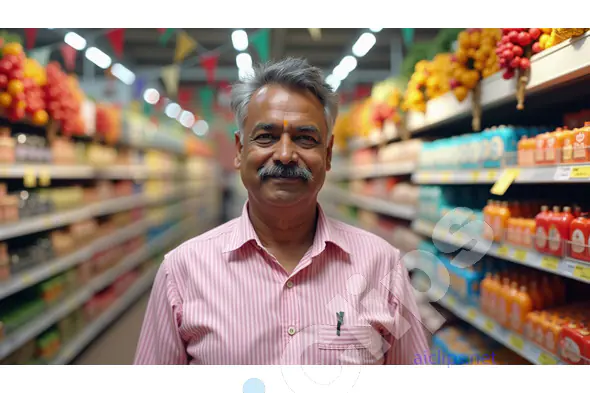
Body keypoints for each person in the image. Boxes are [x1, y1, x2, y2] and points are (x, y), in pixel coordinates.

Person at [134, 57, 430, 365]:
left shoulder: (383, 267)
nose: (286, 155)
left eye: (305, 138)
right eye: (266, 137)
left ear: (327, 155)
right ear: (239, 151)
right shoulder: (182, 271)